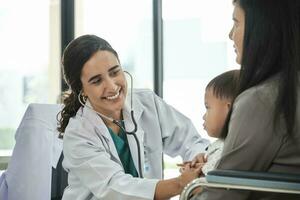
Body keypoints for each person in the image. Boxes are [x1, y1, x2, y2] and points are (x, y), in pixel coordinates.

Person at [57, 34, 209, 200]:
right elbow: (115, 189)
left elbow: (191, 141)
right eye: (96, 81)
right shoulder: (78, 134)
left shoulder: (147, 103)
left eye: (114, 72)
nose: (112, 86)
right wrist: (181, 184)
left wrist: (198, 160)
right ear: (82, 90)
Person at [193, 0, 300, 199]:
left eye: (236, 23)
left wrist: (191, 190)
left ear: (262, 29)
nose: (230, 34)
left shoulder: (263, 101)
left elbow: (222, 195)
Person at [201, 69, 239, 175]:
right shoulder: (224, 143)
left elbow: (206, 183)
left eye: (207, 107)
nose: (204, 116)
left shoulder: (227, 150)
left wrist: (190, 177)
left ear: (230, 109)